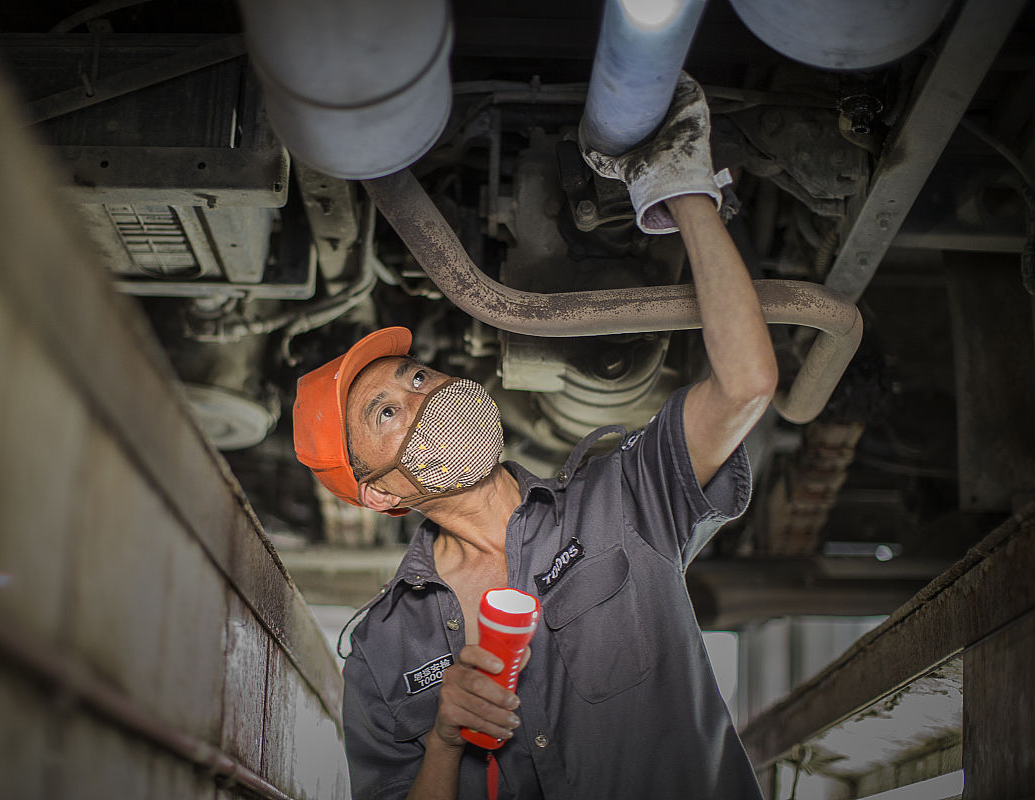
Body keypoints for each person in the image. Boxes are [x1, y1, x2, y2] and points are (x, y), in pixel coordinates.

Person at [293, 74, 777, 800]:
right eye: (387, 413)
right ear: (379, 491)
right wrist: (442, 740)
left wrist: (684, 189)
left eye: (416, 377)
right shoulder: (383, 653)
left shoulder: (621, 500)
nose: (423, 398)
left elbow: (744, 384)